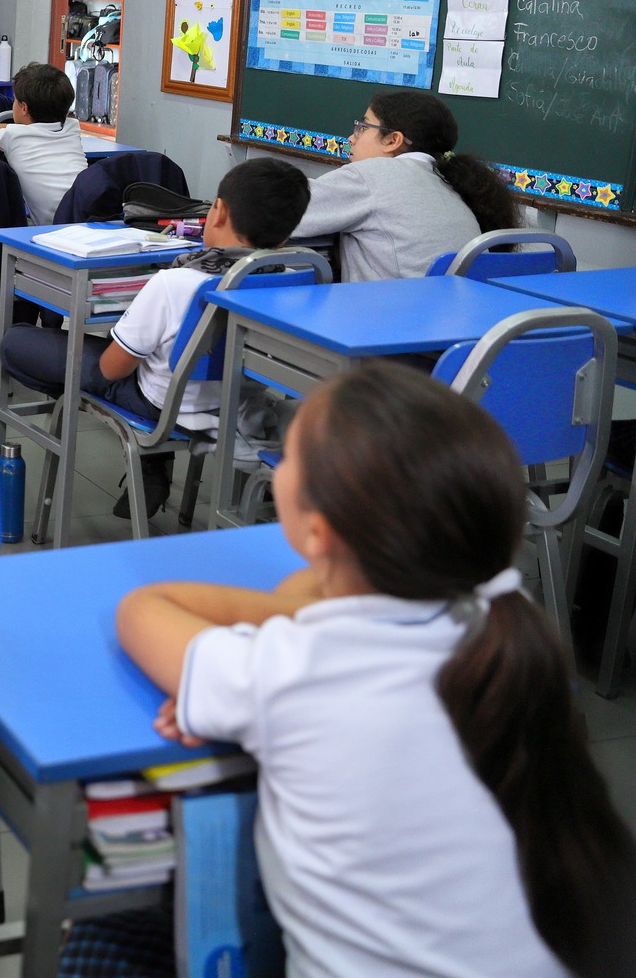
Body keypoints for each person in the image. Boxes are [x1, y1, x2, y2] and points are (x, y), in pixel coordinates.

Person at [111, 362, 636, 978]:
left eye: (290, 455)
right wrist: (279, 639)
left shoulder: (298, 669)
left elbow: (141, 609)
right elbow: (309, 593)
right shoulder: (502, 612)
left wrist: (241, 670)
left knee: (113, 934)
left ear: (318, 531)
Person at [2, 157, 308, 516]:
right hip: (234, 400)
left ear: (219, 211)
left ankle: (143, 454)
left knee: (17, 342)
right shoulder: (294, 280)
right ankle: (152, 466)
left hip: (160, 403)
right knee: (132, 352)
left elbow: (112, 369)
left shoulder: (176, 282)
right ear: (285, 235)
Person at [290, 89, 516, 282]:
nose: (352, 137)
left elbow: (279, 210)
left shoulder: (371, 176)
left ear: (392, 140)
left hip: (391, 316)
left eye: (363, 127)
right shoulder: (448, 185)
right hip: (457, 315)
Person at [0, 63, 88, 224]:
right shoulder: (72, 127)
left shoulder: (11, 136)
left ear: (24, 108)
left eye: (15, 100)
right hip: (90, 214)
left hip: (55, 228)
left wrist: (1, 138)